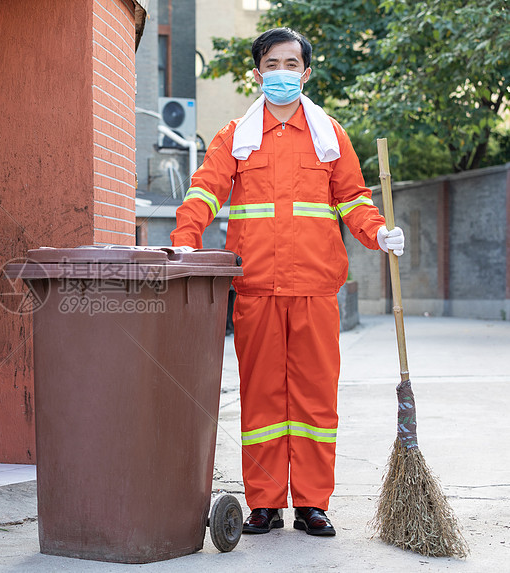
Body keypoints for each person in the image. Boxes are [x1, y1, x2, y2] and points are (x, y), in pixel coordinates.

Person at [170, 27, 404, 537]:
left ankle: (313, 504)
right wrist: (185, 238)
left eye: (290, 64)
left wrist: (379, 232)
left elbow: (354, 199)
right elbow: (204, 192)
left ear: (306, 72)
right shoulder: (235, 136)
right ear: (257, 73)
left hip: (315, 288)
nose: (281, 73)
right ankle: (266, 504)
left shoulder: (329, 135)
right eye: (271, 64)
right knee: (261, 400)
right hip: (255, 287)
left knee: (316, 399)